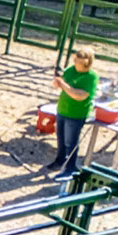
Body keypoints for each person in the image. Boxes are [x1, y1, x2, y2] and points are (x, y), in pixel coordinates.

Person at [46, 47, 99, 182]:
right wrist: (57, 82)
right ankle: (60, 160)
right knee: (61, 139)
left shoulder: (91, 77)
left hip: (76, 113)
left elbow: (79, 95)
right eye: (76, 61)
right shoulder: (70, 70)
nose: (77, 64)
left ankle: (71, 168)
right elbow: (62, 85)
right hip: (63, 109)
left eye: (80, 62)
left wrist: (63, 85)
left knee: (71, 141)